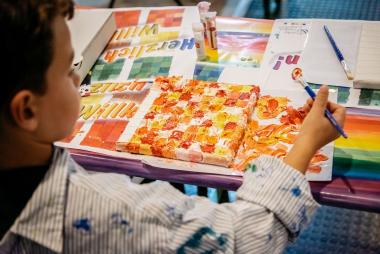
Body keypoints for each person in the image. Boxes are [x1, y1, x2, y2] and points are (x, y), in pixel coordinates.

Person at [0, 0, 346, 253]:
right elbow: (249, 237)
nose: (78, 76)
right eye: (66, 70)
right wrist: (305, 143)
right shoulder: (103, 208)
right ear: (27, 111)